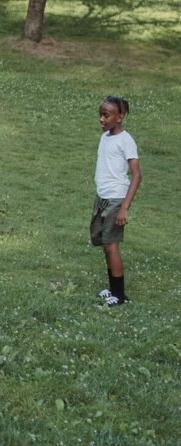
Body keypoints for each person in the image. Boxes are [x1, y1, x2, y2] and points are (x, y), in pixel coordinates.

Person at [92, 96, 142, 307]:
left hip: (116, 199)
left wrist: (124, 207)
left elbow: (137, 175)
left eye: (107, 115)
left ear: (120, 117)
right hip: (102, 198)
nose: (102, 119)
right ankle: (112, 290)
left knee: (112, 246)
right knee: (106, 244)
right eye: (101, 115)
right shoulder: (105, 136)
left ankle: (119, 296)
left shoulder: (125, 140)